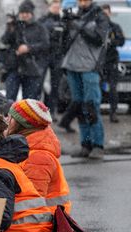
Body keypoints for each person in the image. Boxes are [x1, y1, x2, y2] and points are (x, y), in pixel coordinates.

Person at [61, 0, 109, 159]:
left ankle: (98, 144)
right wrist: (67, 25)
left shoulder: (99, 16)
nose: (82, 2)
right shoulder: (76, 15)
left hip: (89, 66)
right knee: (78, 106)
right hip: (72, 64)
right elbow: (65, 42)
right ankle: (85, 144)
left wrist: (79, 27)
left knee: (91, 105)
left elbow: (99, 39)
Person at [5, 99, 71, 213]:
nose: (6, 120)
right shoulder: (26, 147)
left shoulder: (38, 157)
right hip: (36, 219)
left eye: (10, 117)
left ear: (21, 124)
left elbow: (32, 204)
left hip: (41, 224)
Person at [1, 0, 50, 101]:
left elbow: (45, 45)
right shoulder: (15, 26)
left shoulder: (39, 28)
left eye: (27, 13)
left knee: (29, 101)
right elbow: (5, 40)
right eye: (22, 13)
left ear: (31, 14)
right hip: (14, 66)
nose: (24, 15)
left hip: (32, 68)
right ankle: (8, 116)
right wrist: (10, 27)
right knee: (9, 98)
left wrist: (29, 48)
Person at [38, 0, 65, 121]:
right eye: (54, 4)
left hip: (58, 56)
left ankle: (52, 111)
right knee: (39, 83)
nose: (56, 6)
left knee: (55, 85)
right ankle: (38, 110)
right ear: (49, 6)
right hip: (43, 55)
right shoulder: (42, 20)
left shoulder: (64, 20)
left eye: (58, 4)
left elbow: (68, 37)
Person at [101, 4, 125, 123]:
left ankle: (113, 113)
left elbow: (121, 41)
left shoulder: (114, 27)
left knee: (113, 89)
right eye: (103, 13)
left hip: (112, 61)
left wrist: (112, 41)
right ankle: (93, 113)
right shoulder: (95, 27)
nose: (105, 16)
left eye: (107, 13)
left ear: (110, 13)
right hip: (98, 63)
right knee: (96, 88)